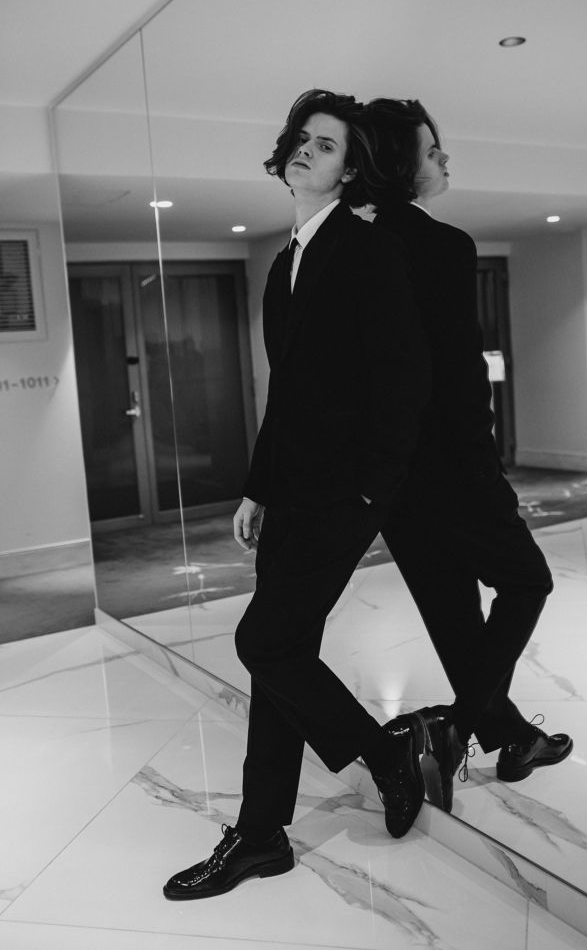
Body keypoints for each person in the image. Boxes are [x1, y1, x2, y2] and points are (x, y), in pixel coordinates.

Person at [163, 90, 431, 901]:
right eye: (302, 139)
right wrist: (257, 487)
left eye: (326, 144)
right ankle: (260, 834)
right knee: (279, 660)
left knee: (263, 643)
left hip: (342, 497)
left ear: (349, 170)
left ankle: (384, 752)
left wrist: (370, 494)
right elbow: (288, 394)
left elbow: (404, 382)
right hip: (289, 492)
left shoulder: (368, 250)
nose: (306, 150)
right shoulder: (286, 263)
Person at [367, 97, 572, 813]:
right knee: (527, 581)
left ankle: (514, 739)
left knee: (453, 617)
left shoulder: (350, 247)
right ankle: (453, 730)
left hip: (393, 481)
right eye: (432, 150)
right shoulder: (441, 245)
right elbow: (457, 377)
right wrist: (486, 472)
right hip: (453, 467)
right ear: (401, 166)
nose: (444, 158)